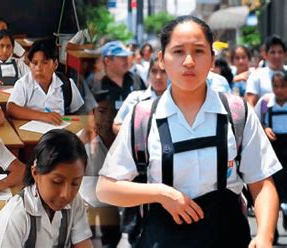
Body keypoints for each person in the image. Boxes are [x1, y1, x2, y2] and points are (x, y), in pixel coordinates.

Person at [96, 15, 281, 247]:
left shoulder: (237, 113)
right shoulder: (143, 117)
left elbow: (262, 182)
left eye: (199, 51)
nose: (189, 61)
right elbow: (106, 189)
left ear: (212, 58)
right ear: (162, 59)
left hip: (227, 237)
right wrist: (161, 194)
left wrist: (264, 235)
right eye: (179, 51)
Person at [0, 129, 93, 247]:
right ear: (36, 173)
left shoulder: (75, 202)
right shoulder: (15, 216)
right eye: (57, 181)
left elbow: (84, 244)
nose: (66, 194)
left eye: (75, 183)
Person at [6, 38, 84, 125]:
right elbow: (11, 109)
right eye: (34, 63)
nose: (39, 68)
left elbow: (80, 113)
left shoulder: (67, 84)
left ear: (55, 64)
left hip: (59, 133)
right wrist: (43, 116)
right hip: (31, 134)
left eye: (45, 63)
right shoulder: (23, 84)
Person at [255, 70, 287, 228]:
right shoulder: (265, 103)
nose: (279, 90)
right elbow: (254, 123)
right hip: (273, 153)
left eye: (283, 86)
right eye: (275, 86)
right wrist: (265, 128)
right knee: (273, 190)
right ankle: (270, 228)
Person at [113, 57, 168, 133]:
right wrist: (137, 136)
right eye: (154, 71)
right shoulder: (135, 98)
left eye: (163, 71)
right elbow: (116, 125)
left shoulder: (177, 100)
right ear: (149, 74)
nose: (158, 77)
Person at [246, 35, 286, 106]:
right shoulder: (257, 75)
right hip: (266, 113)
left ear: (285, 54)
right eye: (273, 52)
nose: (277, 56)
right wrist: (264, 115)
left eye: (280, 52)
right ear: (266, 55)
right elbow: (250, 102)